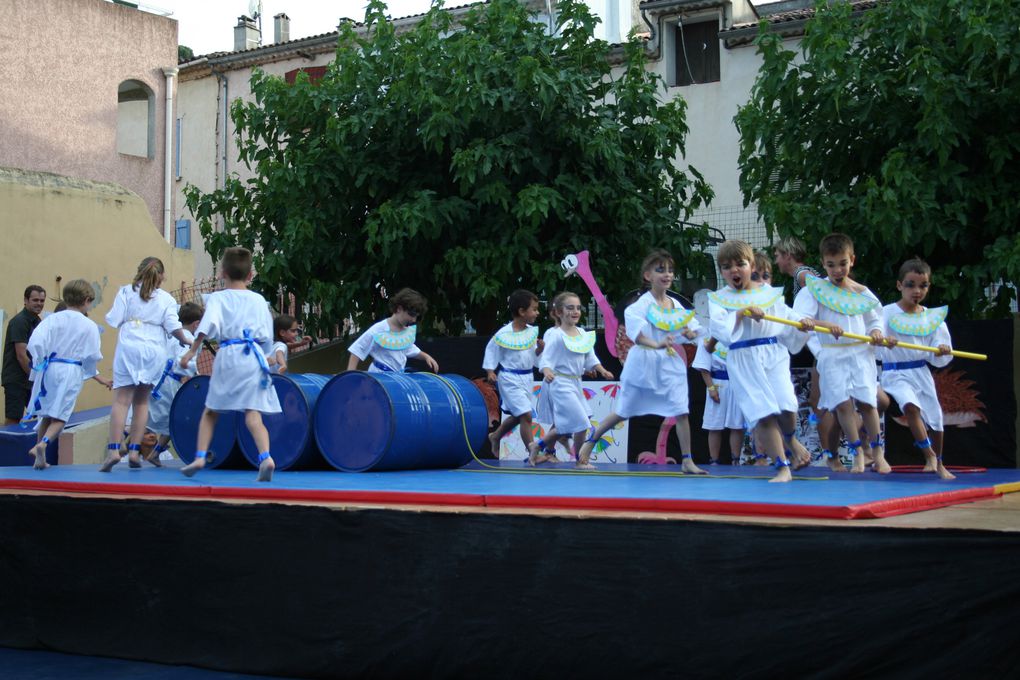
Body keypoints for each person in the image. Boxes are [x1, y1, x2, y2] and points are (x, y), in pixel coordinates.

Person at [576, 251, 704, 473]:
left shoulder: (675, 304)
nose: (667, 274)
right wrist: (657, 344)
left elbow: (689, 328)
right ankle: (588, 445)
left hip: (669, 364)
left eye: (670, 270)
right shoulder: (639, 305)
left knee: (681, 410)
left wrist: (690, 334)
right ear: (647, 275)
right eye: (660, 270)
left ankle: (687, 461)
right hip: (643, 364)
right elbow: (638, 336)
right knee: (623, 410)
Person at [708, 240, 814, 483]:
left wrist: (803, 322)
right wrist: (740, 312)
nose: (734, 270)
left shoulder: (768, 293)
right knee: (763, 412)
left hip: (772, 354)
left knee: (787, 407)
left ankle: (790, 440)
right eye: (726, 267)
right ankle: (782, 466)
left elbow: (787, 318)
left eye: (740, 264)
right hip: (743, 360)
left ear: (751, 265)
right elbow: (720, 329)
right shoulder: (719, 299)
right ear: (722, 271)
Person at [178, 247, 280, 481]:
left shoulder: (218, 298)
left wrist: (192, 351)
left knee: (211, 411)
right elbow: (266, 333)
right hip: (252, 357)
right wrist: (266, 356)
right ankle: (266, 457)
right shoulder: (258, 300)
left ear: (222, 273)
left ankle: (201, 456)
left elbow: (207, 326)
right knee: (253, 415)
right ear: (250, 275)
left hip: (229, 356)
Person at [793, 232, 890, 474]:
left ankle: (877, 453)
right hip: (832, 355)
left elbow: (875, 317)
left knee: (869, 402)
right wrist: (821, 325)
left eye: (843, 263)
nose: (837, 270)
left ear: (852, 260)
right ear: (823, 264)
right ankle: (857, 452)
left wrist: (877, 331)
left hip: (860, 354)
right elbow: (801, 318)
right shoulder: (814, 290)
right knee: (843, 406)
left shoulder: (862, 292)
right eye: (831, 265)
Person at [100, 258, 189, 472]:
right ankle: (133, 451)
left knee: (122, 401)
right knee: (142, 402)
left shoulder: (126, 292)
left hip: (130, 345)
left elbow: (113, 319)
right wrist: (186, 340)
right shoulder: (166, 298)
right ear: (162, 276)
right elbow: (173, 326)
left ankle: (113, 450)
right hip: (154, 349)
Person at [880, 258, 955, 479]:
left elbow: (938, 357)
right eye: (911, 284)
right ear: (899, 285)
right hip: (895, 373)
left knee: (935, 416)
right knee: (910, 406)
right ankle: (929, 455)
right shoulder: (885, 314)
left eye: (923, 285)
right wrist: (883, 342)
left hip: (921, 372)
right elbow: (872, 343)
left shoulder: (933, 319)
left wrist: (941, 350)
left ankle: (938, 461)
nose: (917, 290)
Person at [23, 280, 103, 469]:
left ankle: (38, 459)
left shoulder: (52, 319)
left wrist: (39, 361)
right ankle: (42, 444)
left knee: (45, 413)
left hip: (49, 368)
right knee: (61, 416)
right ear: (86, 300)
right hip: (70, 369)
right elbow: (93, 355)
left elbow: (34, 342)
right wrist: (90, 370)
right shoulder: (89, 325)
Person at [535, 292, 613, 469]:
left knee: (568, 423)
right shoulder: (554, 334)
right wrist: (546, 371)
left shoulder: (582, 334)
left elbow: (589, 357)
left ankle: (539, 447)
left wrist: (600, 370)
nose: (575, 311)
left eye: (578, 308)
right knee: (580, 422)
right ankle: (578, 459)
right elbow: (547, 359)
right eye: (570, 308)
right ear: (559, 312)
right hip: (559, 383)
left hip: (575, 383)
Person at [482, 290, 549, 465]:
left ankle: (495, 436)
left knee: (520, 414)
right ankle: (532, 452)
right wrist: (490, 371)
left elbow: (533, 361)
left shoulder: (531, 333)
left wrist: (539, 350)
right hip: (509, 379)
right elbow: (492, 351)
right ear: (521, 311)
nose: (537, 313)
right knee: (526, 415)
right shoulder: (503, 334)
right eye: (534, 309)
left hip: (527, 378)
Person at [145, 301, 204, 466]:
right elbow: (184, 363)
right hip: (170, 383)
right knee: (174, 419)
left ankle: (130, 446)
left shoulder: (171, 334)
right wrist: (194, 374)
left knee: (149, 417)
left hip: (156, 380)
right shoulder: (190, 339)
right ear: (197, 323)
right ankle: (152, 452)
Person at [346, 288, 439, 374]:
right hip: (379, 377)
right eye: (411, 314)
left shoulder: (406, 331)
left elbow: (408, 348)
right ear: (399, 309)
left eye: (416, 316)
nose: (413, 320)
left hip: (397, 378)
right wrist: (350, 375)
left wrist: (425, 356)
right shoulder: (379, 329)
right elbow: (358, 349)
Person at [692, 336, 744, 465]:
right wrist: (711, 387)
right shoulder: (706, 336)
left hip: (737, 382)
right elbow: (703, 367)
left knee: (736, 424)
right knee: (714, 424)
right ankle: (714, 460)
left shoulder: (740, 334)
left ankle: (736, 460)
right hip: (717, 382)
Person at [3, 285, 46, 424]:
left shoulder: (38, 322)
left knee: (38, 415)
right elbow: (21, 355)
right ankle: (6, 445)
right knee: (13, 418)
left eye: (42, 300)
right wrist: (35, 378)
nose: (39, 303)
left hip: (29, 378)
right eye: (35, 300)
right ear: (26, 300)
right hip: (17, 380)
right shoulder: (20, 321)